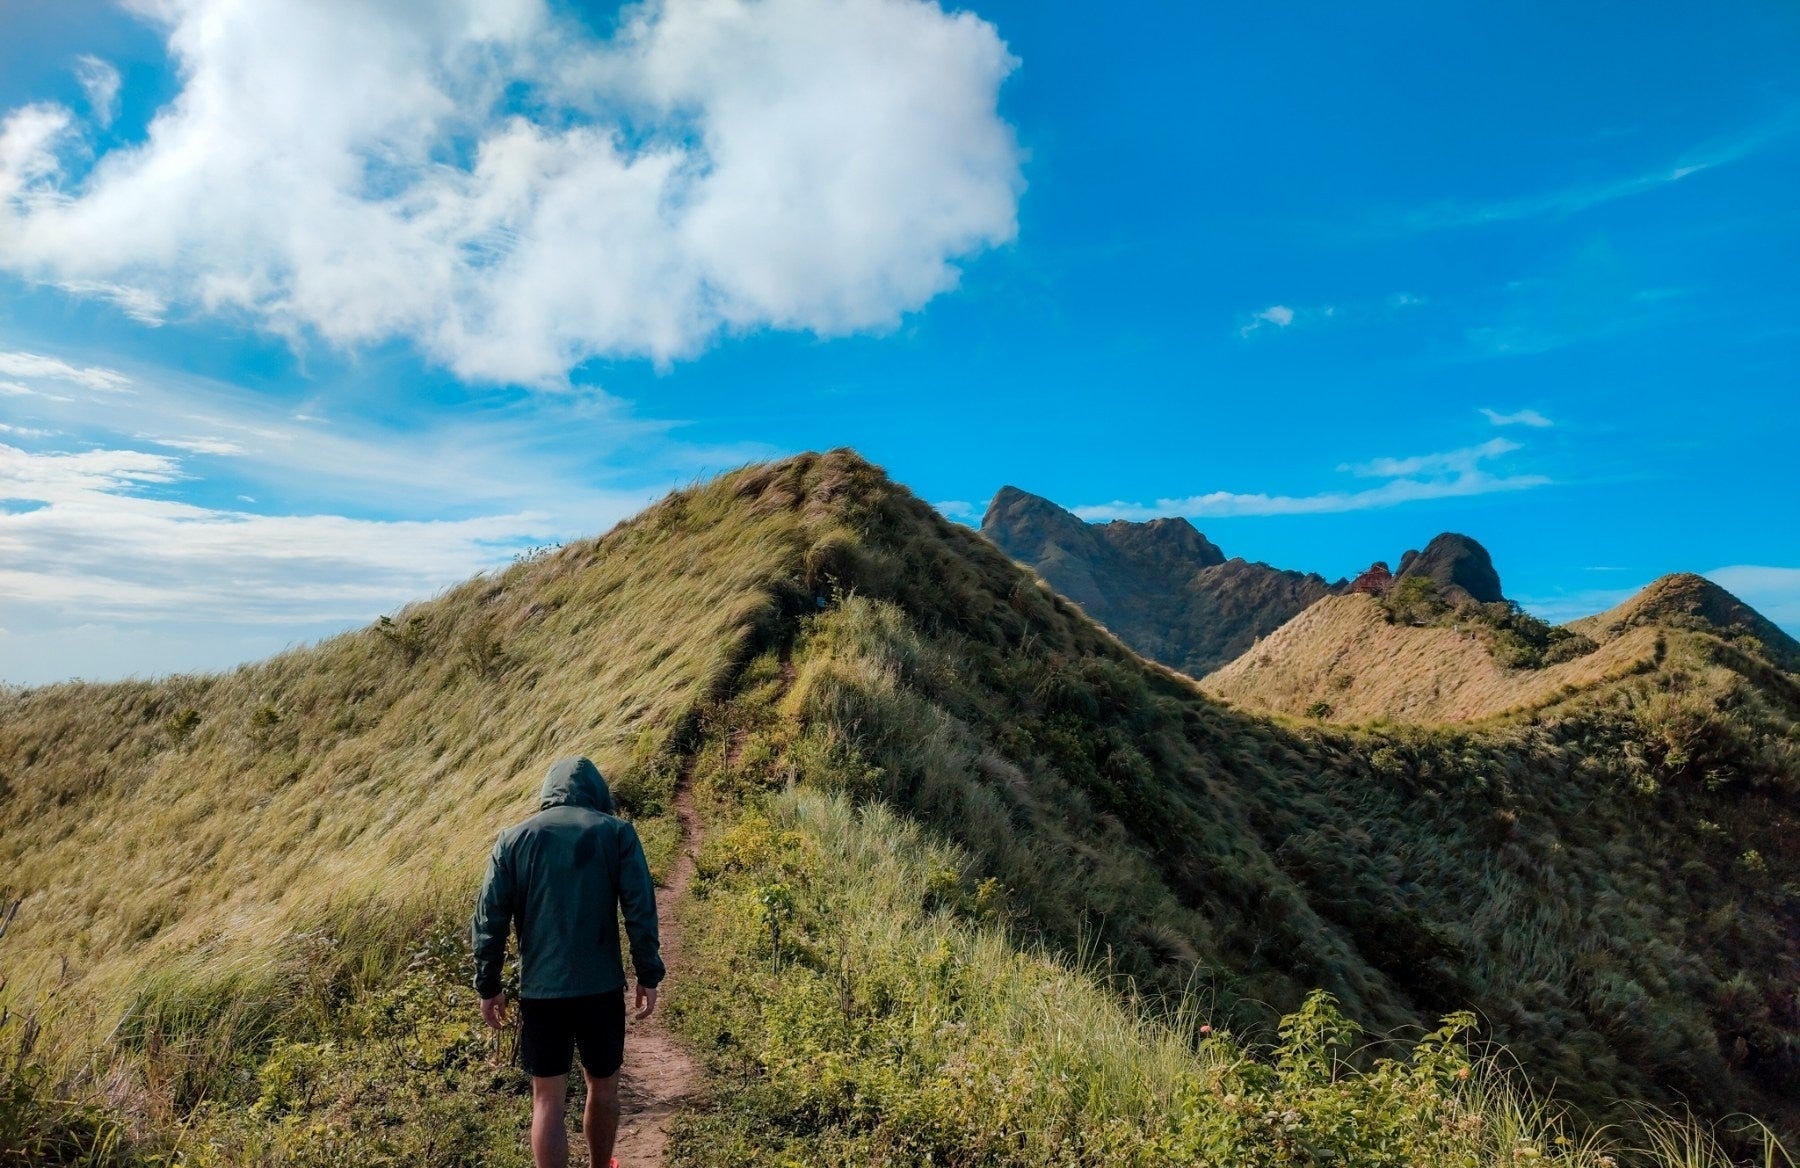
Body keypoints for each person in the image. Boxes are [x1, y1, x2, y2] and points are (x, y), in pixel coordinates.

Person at [472, 757, 665, 1168]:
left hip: (541, 991)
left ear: (547, 792)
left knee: (546, 1101)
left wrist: (488, 985)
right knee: (604, 1088)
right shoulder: (616, 834)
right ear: (597, 792)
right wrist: (647, 973)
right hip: (601, 988)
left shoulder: (512, 839)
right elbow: (639, 909)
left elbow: (490, 919)